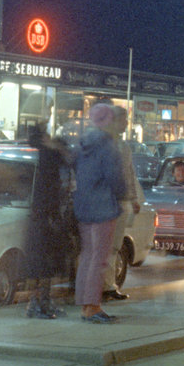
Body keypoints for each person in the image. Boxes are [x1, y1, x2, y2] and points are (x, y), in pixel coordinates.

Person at [71, 103, 127, 323]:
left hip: (83, 206)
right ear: (109, 121)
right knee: (100, 258)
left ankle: (84, 305)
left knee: (87, 256)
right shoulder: (108, 146)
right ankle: (93, 306)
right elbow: (115, 178)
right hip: (103, 207)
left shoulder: (82, 144)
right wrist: (121, 196)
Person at [23, 124, 71, 319]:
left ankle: (39, 301)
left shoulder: (39, 155)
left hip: (41, 215)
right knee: (44, 262)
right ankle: (38, 302)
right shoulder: (48, 156)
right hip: (47, 216)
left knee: (41, 263)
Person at [100, 105, 143, 302]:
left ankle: (109, 284)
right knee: (105, 245)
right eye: (124, 120)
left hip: (121, 202)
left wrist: (133, 199)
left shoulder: (124, 147)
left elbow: (129, 173)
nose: (126, 124)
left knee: (115, 246)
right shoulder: (104, 144)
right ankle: (102, 285)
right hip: (107, 203)